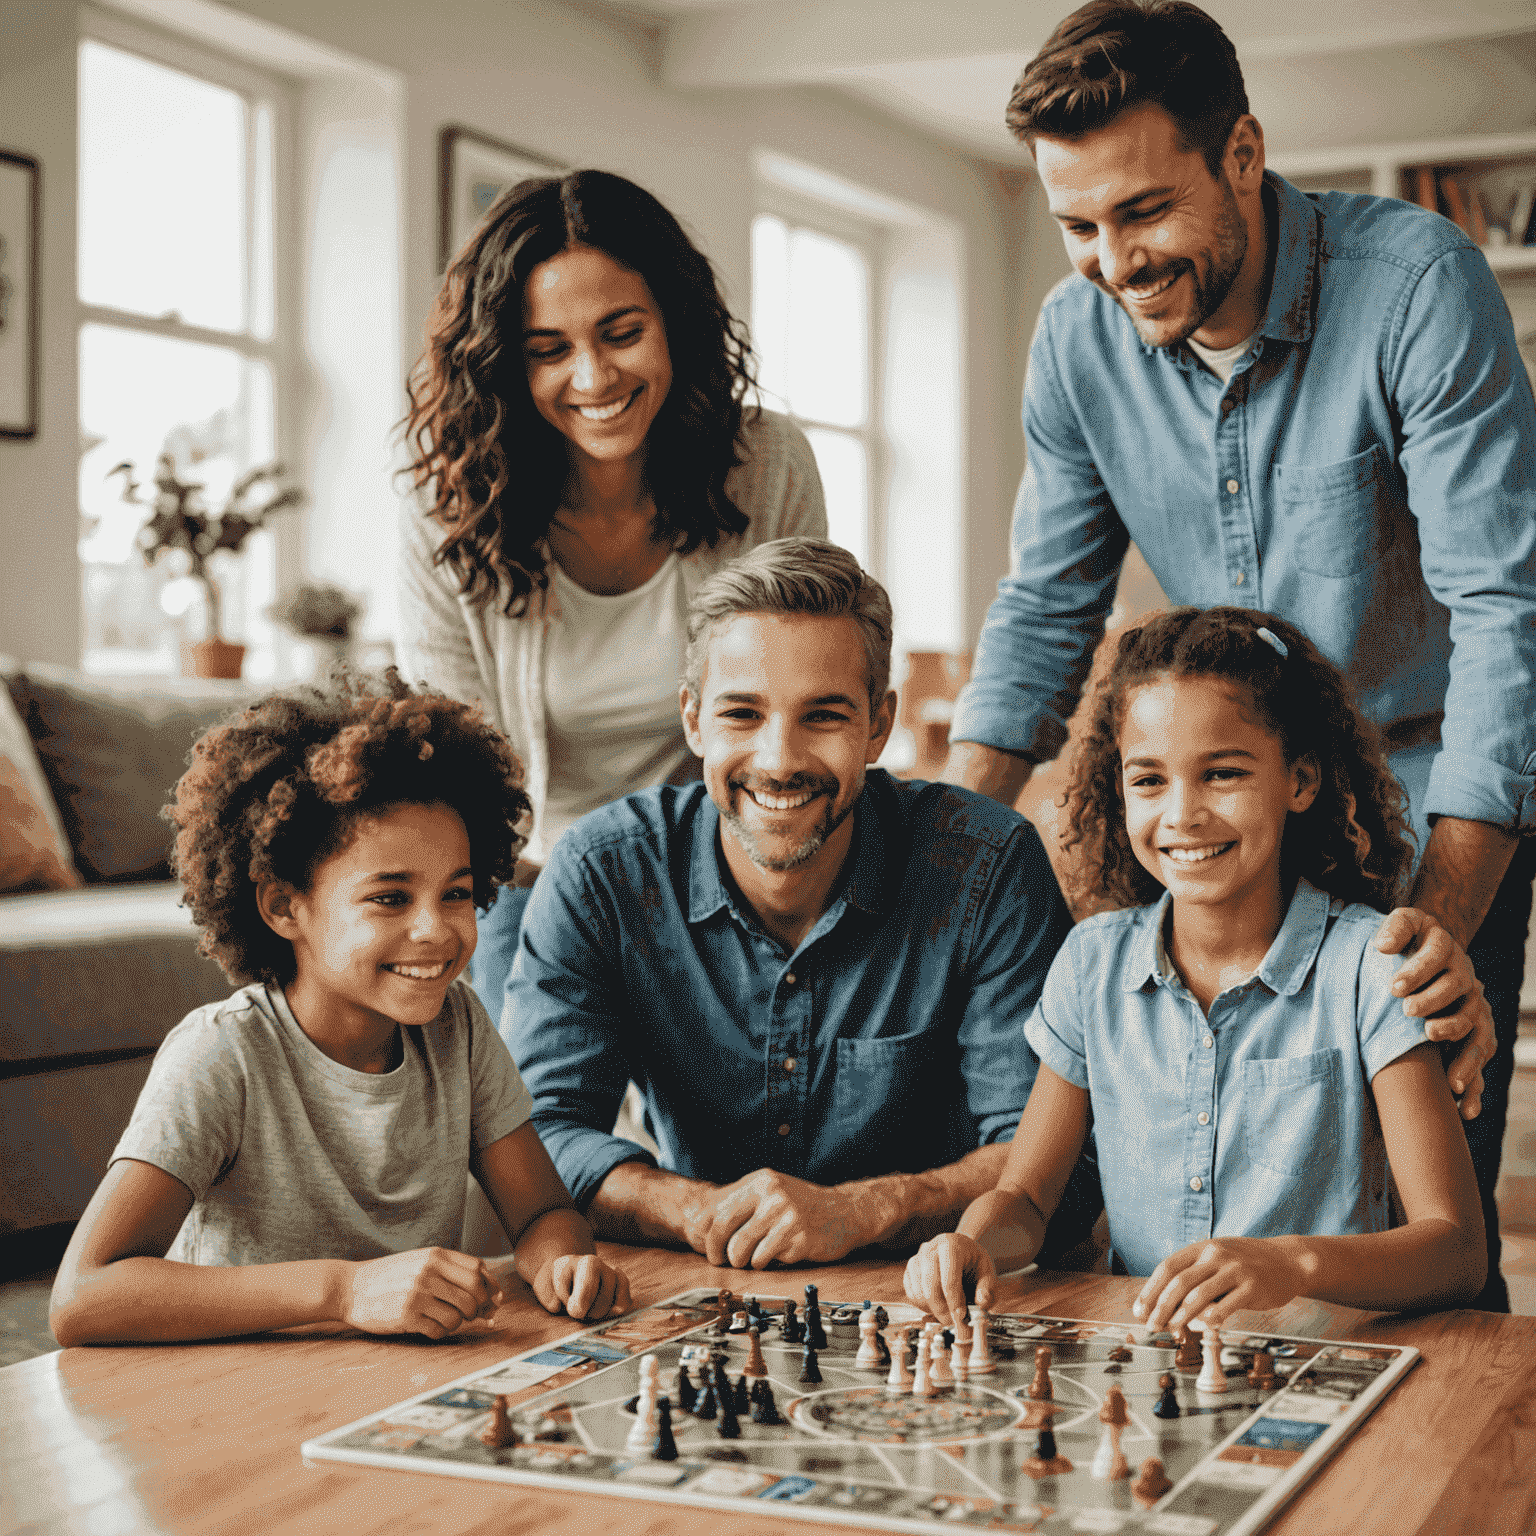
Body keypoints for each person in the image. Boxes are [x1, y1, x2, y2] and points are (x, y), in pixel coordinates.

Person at [943, 0, 1532, 1310]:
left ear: (1245, 155)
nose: (1113, 260)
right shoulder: (1076, 343)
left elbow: (1507, 610)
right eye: (1077, 226)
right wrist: (928, 847)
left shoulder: (1416, 286)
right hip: (1224, 778)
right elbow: (1043, 615)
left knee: (1425, 1229)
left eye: (1144, 212)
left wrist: (1421, 942)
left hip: (1437, 788)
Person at [505, 538, 1097, 1270]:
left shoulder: (988, 866)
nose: (780, 760)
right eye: (743, 715)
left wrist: (860, 1210)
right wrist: (696, 1211)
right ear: (693, 720)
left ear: (878, 725)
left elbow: (1056, 1169)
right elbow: (538, 1142)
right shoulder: (602, 874)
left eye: (822, 716)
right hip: (701, 1299)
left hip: (930, 1308)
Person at [906, 608, 1486, 1328]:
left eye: (1222, 774)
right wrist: (970, 1242)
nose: (1182, 814)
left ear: (1300, 781)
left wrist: (1289, 1263)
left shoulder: (1372, 970)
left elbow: (1457, 1251)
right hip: (1154, 1377)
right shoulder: (1090, 965)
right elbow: (1027, 1199)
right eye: (1148, 780)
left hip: (1332, 1367)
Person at [49, 671, 629, 1347]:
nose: (437, 930)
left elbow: (541, 1214)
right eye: (390, 897)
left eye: (457, 893)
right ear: (282, 906)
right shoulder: (223, 1055)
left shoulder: (459, 1028)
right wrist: (347, 1289)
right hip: (236, 1397)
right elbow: (83, 1295)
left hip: (391, 1388)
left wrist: (562, 1263)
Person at [396, 169, 827, 1031]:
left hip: (722, 868)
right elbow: (458, 763)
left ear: (675, 323)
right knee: (537, 1133)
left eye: (621, 333)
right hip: (529, 881)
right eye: (548, 350)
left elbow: (805, 688)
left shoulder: (768, 463)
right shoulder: (448, 507)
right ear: (507, 365)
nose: (592, 376)